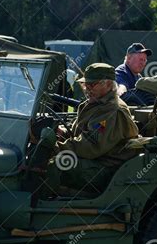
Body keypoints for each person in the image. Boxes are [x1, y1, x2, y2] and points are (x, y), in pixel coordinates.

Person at [52, 63, 139, 196]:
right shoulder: (94, 104)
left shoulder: (112, 110)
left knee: (52, 165)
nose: (87, 89)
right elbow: (79, 132)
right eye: (85, 84)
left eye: (92, 85)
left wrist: (57, 147)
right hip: (93, 162)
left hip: (104, 169)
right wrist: (60, 132)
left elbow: (91, 145)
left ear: (109, 85)